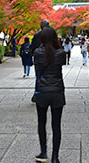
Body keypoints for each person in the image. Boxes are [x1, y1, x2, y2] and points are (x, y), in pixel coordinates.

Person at [33, 27, 66, 163]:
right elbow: (59, 68)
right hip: (57, 90)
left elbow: (38, 71)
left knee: (42, 122)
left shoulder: (37, 52)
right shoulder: (61, 53)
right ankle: (55, 157)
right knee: (56, 125)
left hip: (42, 90)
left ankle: (43, 152)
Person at [30, 19, 50, 102]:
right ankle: (48, 93)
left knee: (38, 77)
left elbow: (32, 48)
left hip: (38, 59)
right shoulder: (51, 35)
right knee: (49, 76)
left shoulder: (37, 35)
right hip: (49, 58)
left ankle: (37, 93)